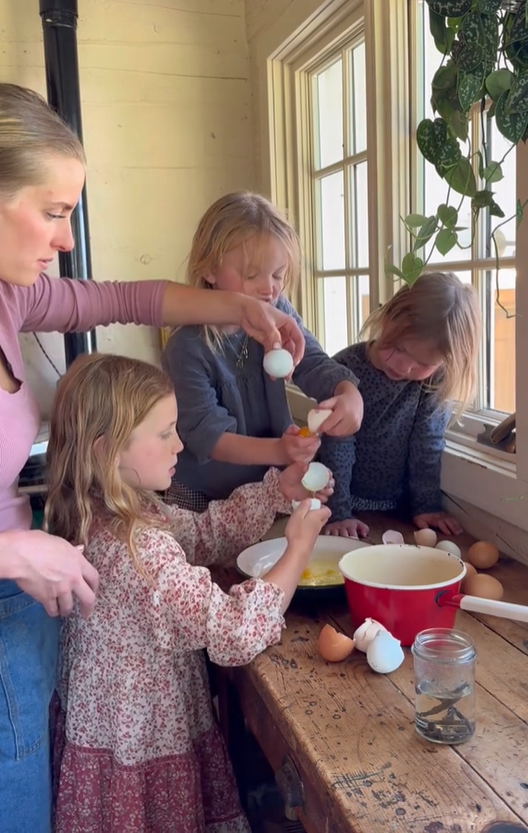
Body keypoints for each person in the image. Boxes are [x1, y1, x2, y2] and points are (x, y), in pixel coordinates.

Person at [0, 83, 305, 833]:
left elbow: (121, 299)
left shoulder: (9, 299)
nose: (66, 237)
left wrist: (239, 308)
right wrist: (297, 543)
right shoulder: (130, 538)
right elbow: (230, 628)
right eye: (53, 210)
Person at [45, 352, 331, 833]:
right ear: (104, 450)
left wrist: (277, 490)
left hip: (108, 731)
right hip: (145, 737)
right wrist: (298, 549)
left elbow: (202, 535)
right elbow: (238, 631)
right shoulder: (141, 550)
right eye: (164, 433)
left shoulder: (104, 510)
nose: (180, 444)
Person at [161, 191, 364, 512]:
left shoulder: (276, 309)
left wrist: (348, 392)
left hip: (267, 486)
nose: (268, 288)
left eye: (278, 275)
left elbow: (311, 362)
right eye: (251, 274)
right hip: (203, 496)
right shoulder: (186, 347)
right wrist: (281, 452)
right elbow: (209, 437)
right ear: (209, 270)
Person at [320, 272, 480, 539]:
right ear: (386, 318)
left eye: (423, 363)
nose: (403, 366)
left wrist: (426, 505)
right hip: (339, 505)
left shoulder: (434, 381)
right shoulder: (345, 370)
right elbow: (337, 446)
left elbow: (427, 443)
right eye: (399, 348)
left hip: (397, 510)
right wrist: (339, 513)